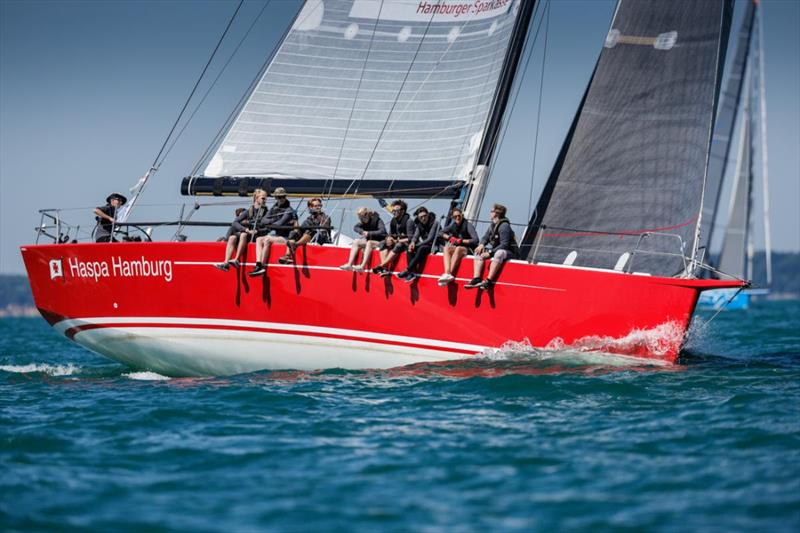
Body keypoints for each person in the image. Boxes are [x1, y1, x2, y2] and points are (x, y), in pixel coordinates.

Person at [465, 203, 518, 290]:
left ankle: (488, 281)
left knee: (499, 253)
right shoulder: (492, 225)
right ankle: (476, 278)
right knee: (478, 251)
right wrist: (481, 245)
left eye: (491, 211)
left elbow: (504, 245)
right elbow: (485, 237)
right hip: (496, 250)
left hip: (509, 252)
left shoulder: (504, 226)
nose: (490, 213)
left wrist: (490, 253)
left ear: (496, 213)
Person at [214, 189, 267, 271]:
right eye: (263, 198)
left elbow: (268, 227)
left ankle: (236, 259)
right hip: (248, 233)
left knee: (243, 235)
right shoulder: (248, 211)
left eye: (265, 198)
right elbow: (235, 222)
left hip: (256, 235)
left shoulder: (266, 212)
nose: (265, 200)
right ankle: (226, 263)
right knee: (232, 238)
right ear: (256, 198)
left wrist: (257, 231)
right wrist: (245, 229)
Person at [249, 187, 296, 276]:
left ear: (285, 197)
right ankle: (258, 264)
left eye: (282, 197)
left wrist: (271, 221)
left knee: (267, 240)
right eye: (278, 197)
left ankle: (262, 267)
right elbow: (263, 220)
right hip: (277, 235)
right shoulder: (274, 208)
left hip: (286, 237)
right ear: (275, 198)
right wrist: (273, 220)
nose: (280, 199)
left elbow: (280, 223)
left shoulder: (289, 210)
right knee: (259, 239)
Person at [278, 197, 331, 264]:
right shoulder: (309, 219)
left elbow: (324, 228)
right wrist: (295, 221)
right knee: (293, 233)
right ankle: (288, 255)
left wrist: (318, 216)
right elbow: (301, 229)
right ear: (310, 207)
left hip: (321, 238)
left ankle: (295, 245)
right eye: (316, 206)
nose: (318, 207)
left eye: (319, 205)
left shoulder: (325, 217)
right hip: (309, 237)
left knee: (310, 231)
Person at [436, 207, 479, 286]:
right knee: (446, 248)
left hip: (469, 248)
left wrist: (462, 241)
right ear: (452, 217)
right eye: (455, 217)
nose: (457, 218)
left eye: (459, 216)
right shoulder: (453, 225)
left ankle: (450, 274)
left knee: (458, 248)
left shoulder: (468, 225)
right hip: (458, 248)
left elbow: (476, 240)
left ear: (462, 215)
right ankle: (447, 273)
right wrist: (449, 238)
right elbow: (440, 232)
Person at [396, 207, 439, 282]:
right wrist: (412, 243)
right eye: (421, 217)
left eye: (425, 216)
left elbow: (430, 238)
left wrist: (417, 245)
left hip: (434, 245)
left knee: (421, 248)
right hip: (424, 244)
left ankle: (408, 270)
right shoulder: (419, 224)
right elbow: (415, 236)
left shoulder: (435, 222)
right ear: (418, 218)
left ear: (428, 215)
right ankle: (412, 274)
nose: (423, 218)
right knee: (409, 249)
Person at [371, 200, 414, 277]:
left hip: (406, 244)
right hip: (396, 241)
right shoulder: (393, 221)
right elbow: (390, 234)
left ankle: (382, 265)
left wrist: (396, 240)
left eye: (396, 211)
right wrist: (388, 239)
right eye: (393, 210)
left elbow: (411, 238)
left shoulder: (409, 221)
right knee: (382, 243)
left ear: (402, 211)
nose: (393, 212)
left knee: (399, 245)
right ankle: (384, 269)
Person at [339, 206, 387, 271]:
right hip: (371, 240)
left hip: (380, 241)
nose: (362, 220)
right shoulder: (363, 222)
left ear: (367, 215)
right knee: (356, 241)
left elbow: (382, 231)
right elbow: (355, 227)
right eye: (360, 218)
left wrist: (369, 233)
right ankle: (349, 264)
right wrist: (362, 232)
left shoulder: (378, 220)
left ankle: (362, 266)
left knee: (369, 242)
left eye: (363, 218)